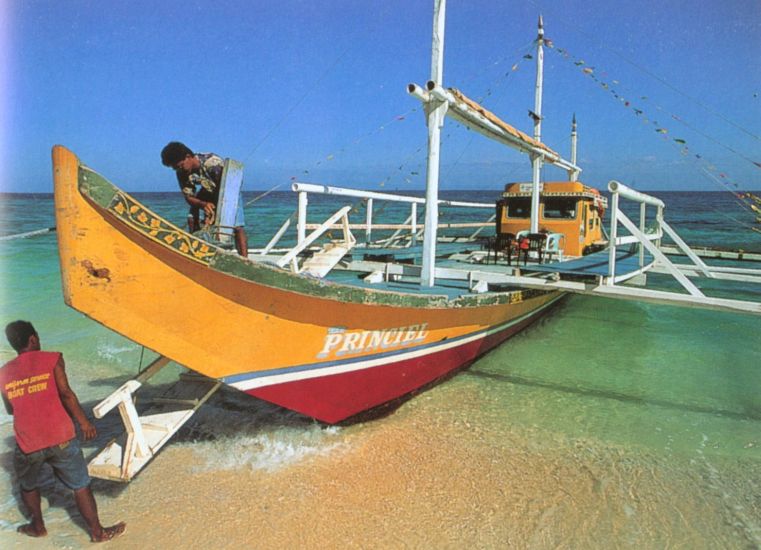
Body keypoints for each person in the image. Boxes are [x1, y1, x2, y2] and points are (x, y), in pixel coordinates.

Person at [0, 321, 125, 543]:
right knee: (80, 485)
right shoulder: (53, 359)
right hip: (61, 437)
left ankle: (38, 527)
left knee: (28, 486)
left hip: (29, 442)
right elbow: (66, 394)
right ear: (33, 339)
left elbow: (11, 408)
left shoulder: (4, 373)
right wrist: (84, 423)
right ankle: (97, 532)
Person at [161, 141, 249, 257]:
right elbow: (188, 197)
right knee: (192, 217)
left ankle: (244, 258)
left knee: (237, 226)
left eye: (180, 165)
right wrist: (203, 205)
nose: (179, 169)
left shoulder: (212, 163)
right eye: (176, 168)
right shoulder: (181, 172)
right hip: (208, 189)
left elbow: (227, 187)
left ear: (188, 157)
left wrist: (213, 212)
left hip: (228, 189)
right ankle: (196, 251)